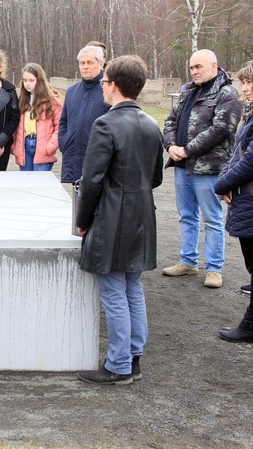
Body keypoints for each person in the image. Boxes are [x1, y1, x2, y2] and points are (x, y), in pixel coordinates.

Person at [75, 55, 164, 385]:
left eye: (103, 81)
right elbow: (155, 178)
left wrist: (83, 221)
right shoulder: (151, 124)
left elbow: (91, 181)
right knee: (131, 287)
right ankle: (133, 357)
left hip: (113, 219)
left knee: (114, 291)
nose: (101, 87)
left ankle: (119, 365)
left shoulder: (106, 124)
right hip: (141, 214)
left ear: (113, 85)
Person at [161, 49, 242, 288]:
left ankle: (215, 268)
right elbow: (170, 120)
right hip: (182, 165)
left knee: (212, 219)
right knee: (186, 216)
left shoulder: (227, 94)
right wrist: (171, 146)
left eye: (199, 66)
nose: (194, 71)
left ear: (214, 66)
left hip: (209, 168)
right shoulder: (187, 91)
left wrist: (186, 150)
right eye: (192, 67)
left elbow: (221, 130)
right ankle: (188, 261)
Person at [214, 59, 253, 342]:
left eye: (249, 83)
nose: (244, 89)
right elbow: (236, 155)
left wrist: (221, 184)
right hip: (251, 199)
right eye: (242, 83)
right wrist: (225, 181)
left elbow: (251, 162)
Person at [58, 44, 110, 184]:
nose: (85, 66)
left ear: (101, 63)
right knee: (74, 203)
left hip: (97, 161)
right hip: (72, 158)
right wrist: (64, 141)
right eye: (82, 63)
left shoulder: (109, 91)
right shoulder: (72, 91)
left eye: (90, 62)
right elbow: (63, 121)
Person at [12, 63, 63, 171]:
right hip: (24, 147)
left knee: (40, 184)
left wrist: (49, 147)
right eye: (25, 80)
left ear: (39, 80)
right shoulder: (21, 99)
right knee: (26, 184)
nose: (27, 84)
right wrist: (14, 145)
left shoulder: (52, 100)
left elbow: (60, 126)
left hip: (42, 146)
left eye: (31, 80)